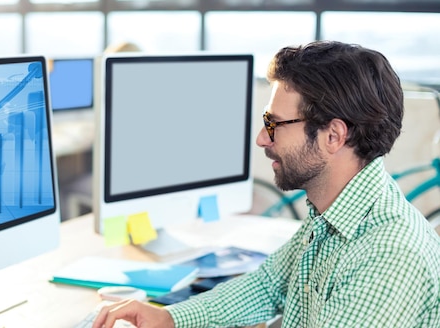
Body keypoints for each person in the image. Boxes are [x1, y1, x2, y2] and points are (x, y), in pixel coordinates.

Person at [92, 40, 440, 328]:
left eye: (275, 125)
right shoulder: (334, 212)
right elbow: (267, 286)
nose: (261, 138)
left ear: (333, 135)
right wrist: (168, 318)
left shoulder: (388, 254)